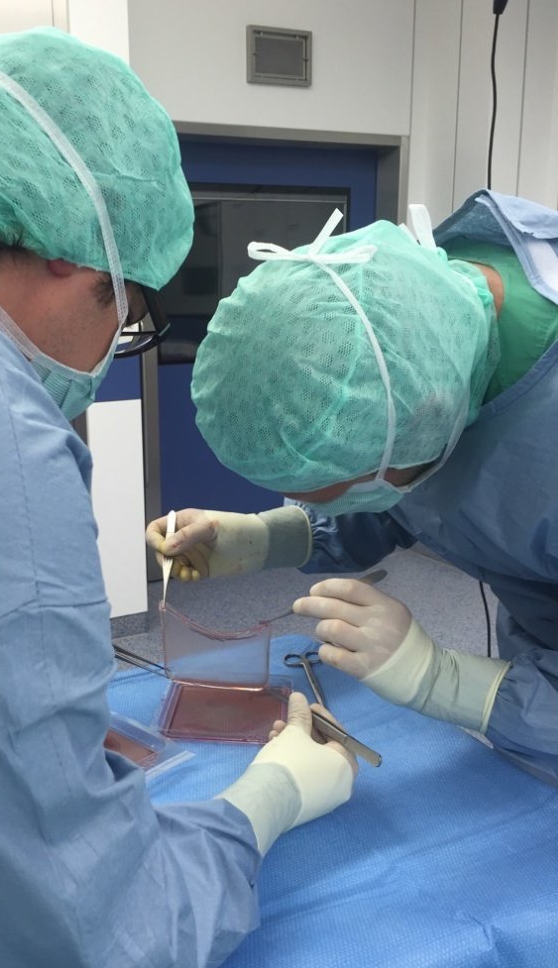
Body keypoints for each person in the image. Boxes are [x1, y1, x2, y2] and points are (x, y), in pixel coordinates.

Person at [0, 23, 358, 968]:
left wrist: (264, 533)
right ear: (68, 256)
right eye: (124, 308)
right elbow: (96, 942)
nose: (109, 349)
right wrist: (261, 802)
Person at [147, 191, 558, 786]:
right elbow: (415, 496)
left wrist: (445, 680)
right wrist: (266, 539)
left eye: (331, 491)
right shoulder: (414, 323)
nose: (328, 504)